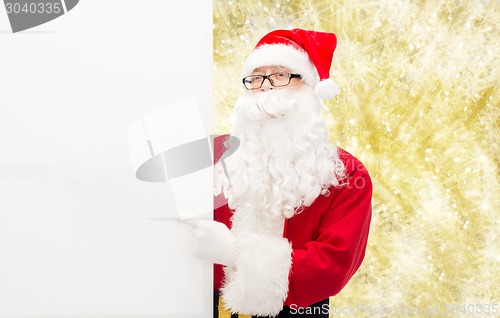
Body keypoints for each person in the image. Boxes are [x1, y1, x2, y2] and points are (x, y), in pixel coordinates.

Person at [189, 28, 372, 318]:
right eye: (257, 77)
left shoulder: (345, 173)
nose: (266, 87)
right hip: (202, 306)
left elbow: (334, 267)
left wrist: (235, 253)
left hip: (296, 312)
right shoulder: (212, 154)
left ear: (309, 88)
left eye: (281, 75)